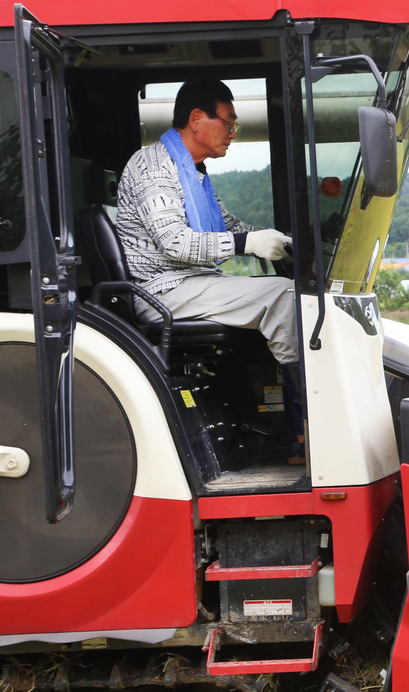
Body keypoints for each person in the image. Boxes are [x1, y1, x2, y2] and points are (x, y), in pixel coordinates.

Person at [115, 78, 306, 463]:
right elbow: (176, 242)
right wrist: (246, 245)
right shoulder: (153, 167)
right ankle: (304, 430)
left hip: (192, 283)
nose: (233, 134)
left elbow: (226, 226)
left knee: (282, 290)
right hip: (162, 290)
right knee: (283, 295)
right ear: (197, 118)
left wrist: (281, 239)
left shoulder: (193, 172)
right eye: (229, 123)